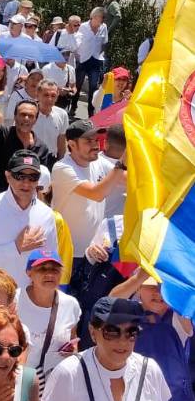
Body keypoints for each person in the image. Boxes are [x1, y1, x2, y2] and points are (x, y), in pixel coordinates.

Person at [39, 297, 170, 401]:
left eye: (131, 332)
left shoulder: (149, 370)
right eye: (112, 332)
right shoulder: (69, 374)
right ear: (92, 332)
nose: (122, 341)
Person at [51, 119, 125, 320]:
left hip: (93, 253)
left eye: (96, 139)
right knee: (61, 309)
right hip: (66, 254)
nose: (95, 145)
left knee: (85, 310)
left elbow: (129, 179)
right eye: (88, 141)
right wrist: (121, 164)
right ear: (71, 144)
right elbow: (97, 193)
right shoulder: (62, 168)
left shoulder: (99, 162)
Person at [0, 150, 58, 303]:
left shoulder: (47, 214)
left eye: (32, 177)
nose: (26, 183)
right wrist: (16, 248)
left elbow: (50, 261)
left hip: (28, 301)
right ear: (8, 176)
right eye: (20, 176)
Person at [110, 270, 195, 401]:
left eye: (164, 286)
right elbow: (109, 302)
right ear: (138, 289)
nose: (158, 292)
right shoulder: (128, 314)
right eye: (151, 286)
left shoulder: (179, 316)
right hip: (133, 397)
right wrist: (141, 275)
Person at [16, 250, 80, 396]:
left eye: (55, 269)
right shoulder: (14, 300)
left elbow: (73, 339)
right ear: (29, 273)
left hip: (54, 385)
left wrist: (72, 350)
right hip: (19, 381)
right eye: (42, 269)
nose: (50, 274)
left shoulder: (71, 304)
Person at [0, 85, 52, 196]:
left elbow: (40, 180)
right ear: (15, 116)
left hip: (25, 201)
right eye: (23, 114)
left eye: (31, 116)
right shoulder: (3, 134)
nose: (26, 119)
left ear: (35, 120)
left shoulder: (42, 148)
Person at [73, 7, 109, 117]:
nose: (103, 19)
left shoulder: (103, 27)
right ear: (95, 17)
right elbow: (76, 42)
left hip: (95, 59)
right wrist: (77, 55)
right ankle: (73, 106)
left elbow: (105, 42)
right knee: (78, 85)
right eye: (102, 17)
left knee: (93, 87)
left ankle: (91, 112)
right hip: (83, 59)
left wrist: (101, 54)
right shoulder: (83, 27)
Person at [33, 80, 68, 159]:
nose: (49, 99)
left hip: (50, 158)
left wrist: (61, 161)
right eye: (46, 95)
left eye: (53, 96)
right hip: (30, 157)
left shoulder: (62, 114)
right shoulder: (28, 113)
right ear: (37, 95)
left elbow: (61, 141)